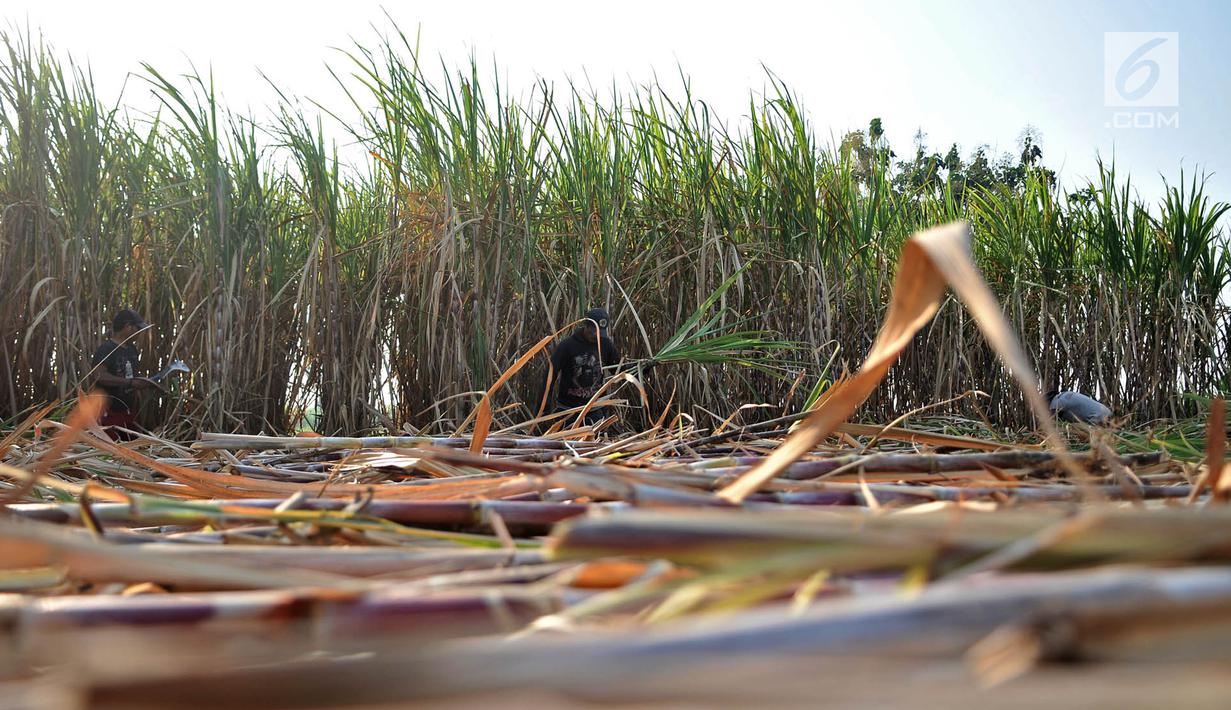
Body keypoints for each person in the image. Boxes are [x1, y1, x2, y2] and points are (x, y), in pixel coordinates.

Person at [542, 308, 621, 425]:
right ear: (586, 326)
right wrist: (544, 410)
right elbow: (549, 377)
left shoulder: (605, 344)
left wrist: (643, 367)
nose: (596, 336)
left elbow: (619, 369)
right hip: (568, 410)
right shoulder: (568, 346)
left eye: (599, 333)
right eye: (593, 332)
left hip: (594, 409)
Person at [90, 308, 155, 436]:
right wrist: (130, 383)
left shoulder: (132, 350)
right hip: (108, 414)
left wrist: (147, 381)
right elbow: (99, 376)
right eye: (138, 328)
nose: (139, 333)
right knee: (110, 453)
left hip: (129, 413)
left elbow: (131, 375)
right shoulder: (106, 349)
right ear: (128, 327)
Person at [1046, 390, 1112, 425]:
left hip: (1097, 420)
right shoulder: (1066, 394)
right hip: (1106, 412)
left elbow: (1050, 423)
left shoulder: (1056, 403)